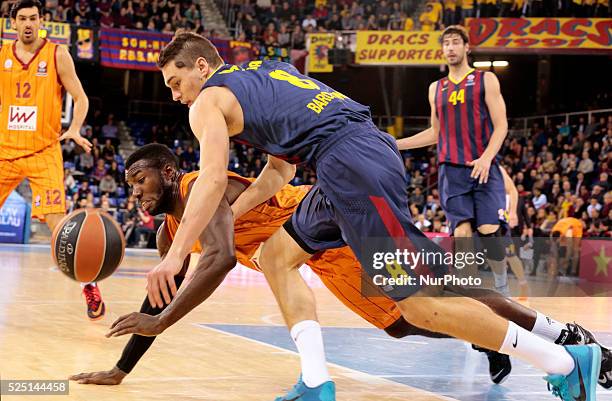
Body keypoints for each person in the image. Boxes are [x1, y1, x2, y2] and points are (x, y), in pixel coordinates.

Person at [108, 32, 602, 401]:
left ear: (200, 65)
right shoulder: (267, 71)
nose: (176, 95)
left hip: (349, 164)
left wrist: (173, 257)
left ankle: (562, 360)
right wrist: (230, 217)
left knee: (416, 306)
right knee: (276, 256)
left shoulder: (208, 101)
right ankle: (316, 381)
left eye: (176, 82)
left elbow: (212, 178)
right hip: (344, 161)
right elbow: (277, 174)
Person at [74, 144, 603, 387]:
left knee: (436, 294)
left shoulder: (197, 187)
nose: (134, 192)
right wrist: (123, 369)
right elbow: (159, 296)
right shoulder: (173, 232)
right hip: (323, 257)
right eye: (127, 185)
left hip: (330, 221)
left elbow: (214, 259)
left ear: (168, 172)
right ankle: (488, 335)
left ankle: (558, 334)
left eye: (140, 179)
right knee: (405, 323)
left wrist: (161, 321)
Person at [0, 0, 105, 320]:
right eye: (22, 19)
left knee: (59, 228)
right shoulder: (2, 54)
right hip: (4, 152)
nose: (28, 23)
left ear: (41, 20)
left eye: (34, 18)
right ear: (12, 24)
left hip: (44, 152)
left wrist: (74, 128)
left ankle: (90, 287)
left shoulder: (57, 53)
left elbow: (81, 97)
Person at [397, 25, 513, 298]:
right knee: (462, 234)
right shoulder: (435, 88)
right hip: (451, 170)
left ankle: (501, 284)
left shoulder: (486, 80)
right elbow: (436, 133)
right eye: (446, 43)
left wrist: (486, 158)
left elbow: (502, 126)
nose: (450, 47)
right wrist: (397, 143)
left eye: (455, 42)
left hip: (484, 168)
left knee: (488, 232)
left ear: (466, 47)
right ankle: (472, 296)